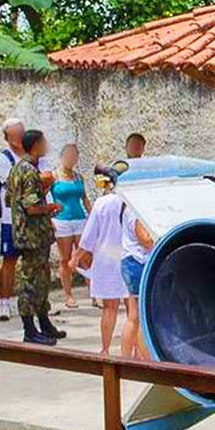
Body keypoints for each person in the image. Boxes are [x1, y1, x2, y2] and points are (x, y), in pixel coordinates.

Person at [5, 129, 65, 345]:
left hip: (32, 235)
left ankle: (44, 323)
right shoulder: (28, 171)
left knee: (41, 281)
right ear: (35, 146)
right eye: (43, 143)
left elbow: (9, 199)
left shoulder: (18, 169)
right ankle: (29, 330)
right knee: (31, 282)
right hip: (32, 236)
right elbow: (31, 207)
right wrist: (51, 206)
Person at [70, 172, 127, 355]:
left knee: (109, 308)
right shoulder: (134, 203)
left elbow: (89, 236)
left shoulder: (102, 204)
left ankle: (105, 349)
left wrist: (76, 257)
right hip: (128, 257)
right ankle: (133, 351)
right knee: (133, 311)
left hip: (107, 259)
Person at [0, 118, 26, 321]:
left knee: (34, 262)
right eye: (15, 133)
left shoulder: (35, 156)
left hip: (32, 218)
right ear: (7, 137)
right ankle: (4, 303)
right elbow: (16, 184)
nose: (19, 136)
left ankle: (31, 302)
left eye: (21, 132)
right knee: (9, 260)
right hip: (10, 219)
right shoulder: (3, 159)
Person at [52, 143, 91, 309]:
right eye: (68, 156)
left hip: (80, 218)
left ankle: (94, 294)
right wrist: (49, 217)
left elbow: (85, 198)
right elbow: (43, 196)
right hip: (62, 221)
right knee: (65, 259)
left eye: (74, 156)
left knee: (86, 257)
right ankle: (68, 295)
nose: (71, 159)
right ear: (62, 157)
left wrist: (94, 215)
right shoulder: (53, 176)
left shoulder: (78, 177)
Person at [119, 198, 154, 360]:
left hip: (131, 263)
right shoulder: (135, 211)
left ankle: (126, 359)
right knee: (142, 318)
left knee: (134, 317)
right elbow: (146, 240)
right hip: (138, 263)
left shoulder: (128, 209)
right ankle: (146, 360)